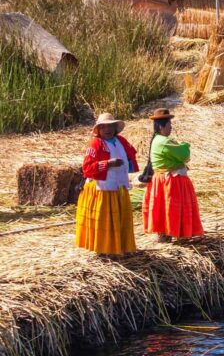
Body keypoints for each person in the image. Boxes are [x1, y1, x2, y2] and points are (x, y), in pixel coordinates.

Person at [75, 113, 138, 254]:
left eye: (110, 126)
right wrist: (108, 164)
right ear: (98, 130)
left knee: (118, 219)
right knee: (105, 220)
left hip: (119, 186)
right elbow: (87, 168)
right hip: (102, 188)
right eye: (103, 127)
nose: (107, 129)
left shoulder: (121, 141)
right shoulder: (95, 144)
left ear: (115, 128)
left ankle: (119, 247)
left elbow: (131, 154)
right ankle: (104, 249)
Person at [142, 108, 203, 241]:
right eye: (169, 124)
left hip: (163, 178)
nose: (171, 127)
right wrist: (185, 145)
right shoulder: (164, 142)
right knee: (171, 208)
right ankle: (173, 234)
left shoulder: (158, 140)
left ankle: (166, 235)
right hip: (170, 180)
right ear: (160, 126)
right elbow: (185, 155)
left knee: (165, 208)